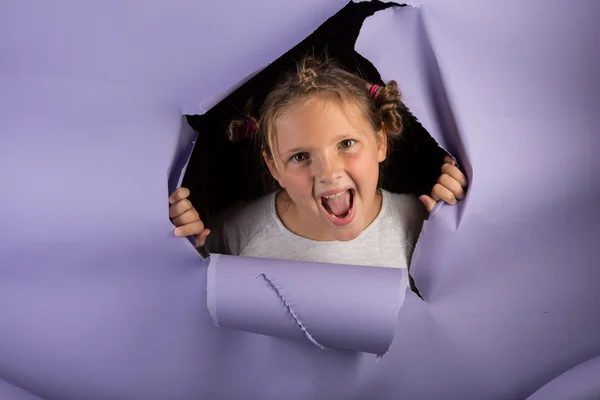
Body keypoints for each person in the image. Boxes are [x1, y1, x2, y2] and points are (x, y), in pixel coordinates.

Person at [168, 56, 467, 270]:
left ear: (380, 142)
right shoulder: (237, 233)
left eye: (346, 144)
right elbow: (187, 283)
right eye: (300, 156)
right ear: (274, 168)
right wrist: (183, 241)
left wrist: (450, 227)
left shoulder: (418, 223)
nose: (328, 173)